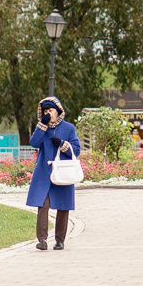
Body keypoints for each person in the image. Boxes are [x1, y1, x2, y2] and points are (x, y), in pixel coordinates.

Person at [26, 97, 83, 251]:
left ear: (58, 111)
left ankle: (59, 240)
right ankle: (42, 240)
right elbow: (34, 143)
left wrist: (63, 144)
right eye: (45, 110)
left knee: (63, 206)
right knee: (42, 205)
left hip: (63, 171)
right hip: (44, 173)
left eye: (50, 110)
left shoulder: (69, 128)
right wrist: (42, 125)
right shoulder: (42, 128)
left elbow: (76, 150)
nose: (47, 112)